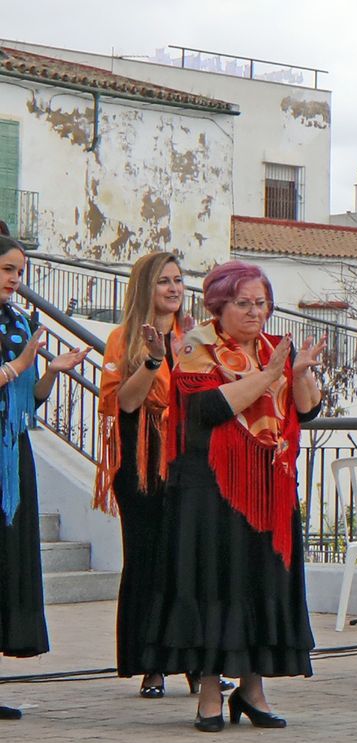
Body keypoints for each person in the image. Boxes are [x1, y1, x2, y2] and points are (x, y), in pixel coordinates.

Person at [140, 261, 325, 732]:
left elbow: (307, 411)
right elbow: (205, 411)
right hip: (209, 488)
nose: (255, 312)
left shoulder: (271, 350)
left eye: (261, 303)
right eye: (243, 303)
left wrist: (298, 373)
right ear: (218, 305)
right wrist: (268, 377)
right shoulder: (195, 346)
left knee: (260, 583)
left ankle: (252, 688)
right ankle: (208, 692)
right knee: (213, 583)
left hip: (268, 486)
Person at [94, 251, 204, 700]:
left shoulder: (195, 337)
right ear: (146, 288)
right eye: (164, 281)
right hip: (143, 457)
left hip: (188, 457)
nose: (174, 289)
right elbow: (124, 402)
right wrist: (155, 361)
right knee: (147, 560)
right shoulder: (124, 339)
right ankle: (151, 664)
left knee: (188, 561)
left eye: (179, 280)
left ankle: (196, 663)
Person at [1, 235, 91, 719]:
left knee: (6, 565)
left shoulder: (18, 321)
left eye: (19, 271)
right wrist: (17, 364)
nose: (15, 280)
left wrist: (52, 370)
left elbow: (27, 398)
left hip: (12, 452)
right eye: (7, 270)